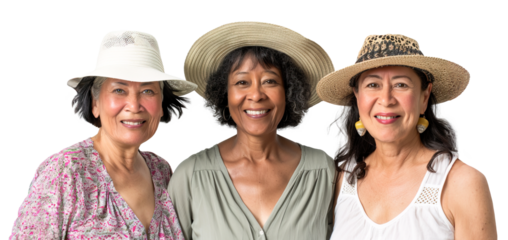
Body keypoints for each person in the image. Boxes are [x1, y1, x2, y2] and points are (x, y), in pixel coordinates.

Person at [8, 30, 197, 239]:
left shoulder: (162, 171)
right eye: (119, 90)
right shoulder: (64, 173)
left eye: (148, 91)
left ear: (162, 105)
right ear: (95, 102)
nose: (134, 105)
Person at [317, 33, 499, 239]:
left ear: (424, 96)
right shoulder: (341, 179)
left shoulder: (463, 183)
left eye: (401, 85)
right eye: (373, 85)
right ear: (357, 97)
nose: (386, 100)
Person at [168, 21, 337, 240]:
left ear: (289, 91)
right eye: (242, 82)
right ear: (224, 94)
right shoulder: (190, 175)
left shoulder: (323, 171)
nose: (256, 95)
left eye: (269, 81)